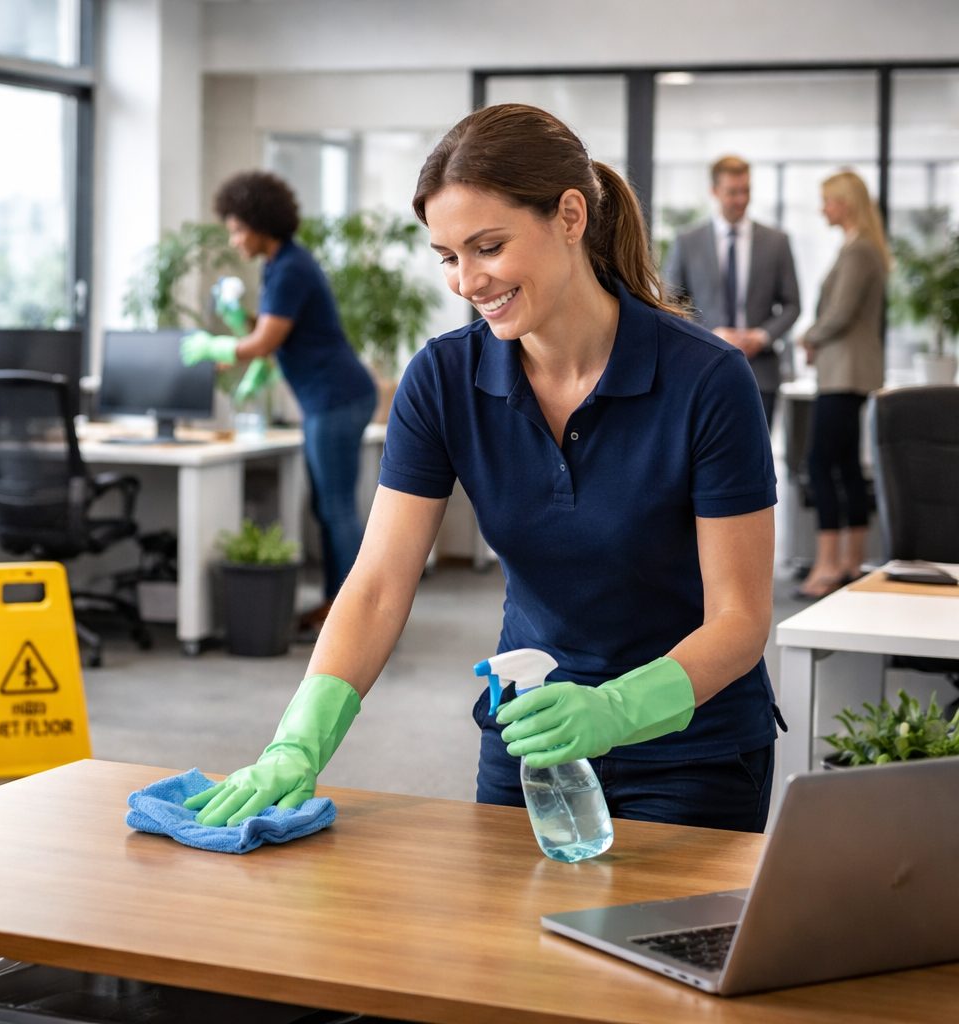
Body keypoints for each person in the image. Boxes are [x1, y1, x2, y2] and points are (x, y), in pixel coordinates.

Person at [186, 104, 781, 834]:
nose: (466, 281)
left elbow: (740, 619)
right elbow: (376, 588)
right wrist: (296, 742)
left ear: (570, 216)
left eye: (488, 247)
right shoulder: (443, 381)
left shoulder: (706, 380)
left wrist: (617, 709)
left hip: (693, 748)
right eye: (446, 256)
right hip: (528, 740)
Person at [180, 171, 377, 631]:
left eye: (237, 230)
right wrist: (237, 320)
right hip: (327, 399)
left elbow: (266, 342)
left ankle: (353, 617)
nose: (234, 240)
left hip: (336, 398)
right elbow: (271, 328)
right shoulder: (280, 264)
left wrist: (216, 345)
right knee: (327, 507)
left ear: (259, 223)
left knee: (336, 508)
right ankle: (338, 605)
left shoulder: (291, 269)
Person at [794, 170, 889, 600]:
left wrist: (807, 337)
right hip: (845, 373)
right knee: (847, 465)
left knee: (820, 463)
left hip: (844, 374)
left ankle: (829, 565)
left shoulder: (859, 250)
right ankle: (852, 562)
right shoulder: (860, 247)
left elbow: (840, 313)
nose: (823, 209)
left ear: (845, 203)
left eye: (828, 200)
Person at [664, 155, 801, 429]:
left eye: (746, 190)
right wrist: (709, 334)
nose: (741, 199)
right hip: (702, 370)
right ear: (714, 191)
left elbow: (792, 304)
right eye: (732, 192)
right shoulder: (688, 241)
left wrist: (762, 336)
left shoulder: (776, 242)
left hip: (761, 373)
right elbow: (670, 304)